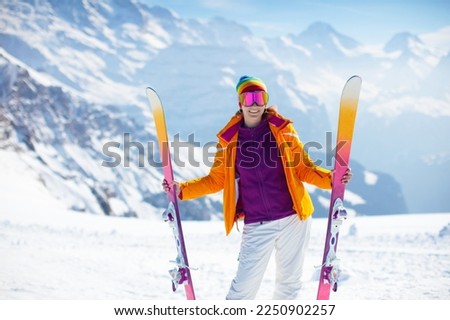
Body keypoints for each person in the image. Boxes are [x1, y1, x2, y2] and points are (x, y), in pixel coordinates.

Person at [162, 75, 352, 300]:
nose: (254, 104)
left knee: (289, 286)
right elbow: (216, 180)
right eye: (248, 98)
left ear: (266, 101)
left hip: (294, 219)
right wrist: (182, 189)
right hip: (257, 224)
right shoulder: (229, 141)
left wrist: (331, 179)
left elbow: (303, 168)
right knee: (242, 291)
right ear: (239, 103)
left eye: (260, 98)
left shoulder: (283, 130)